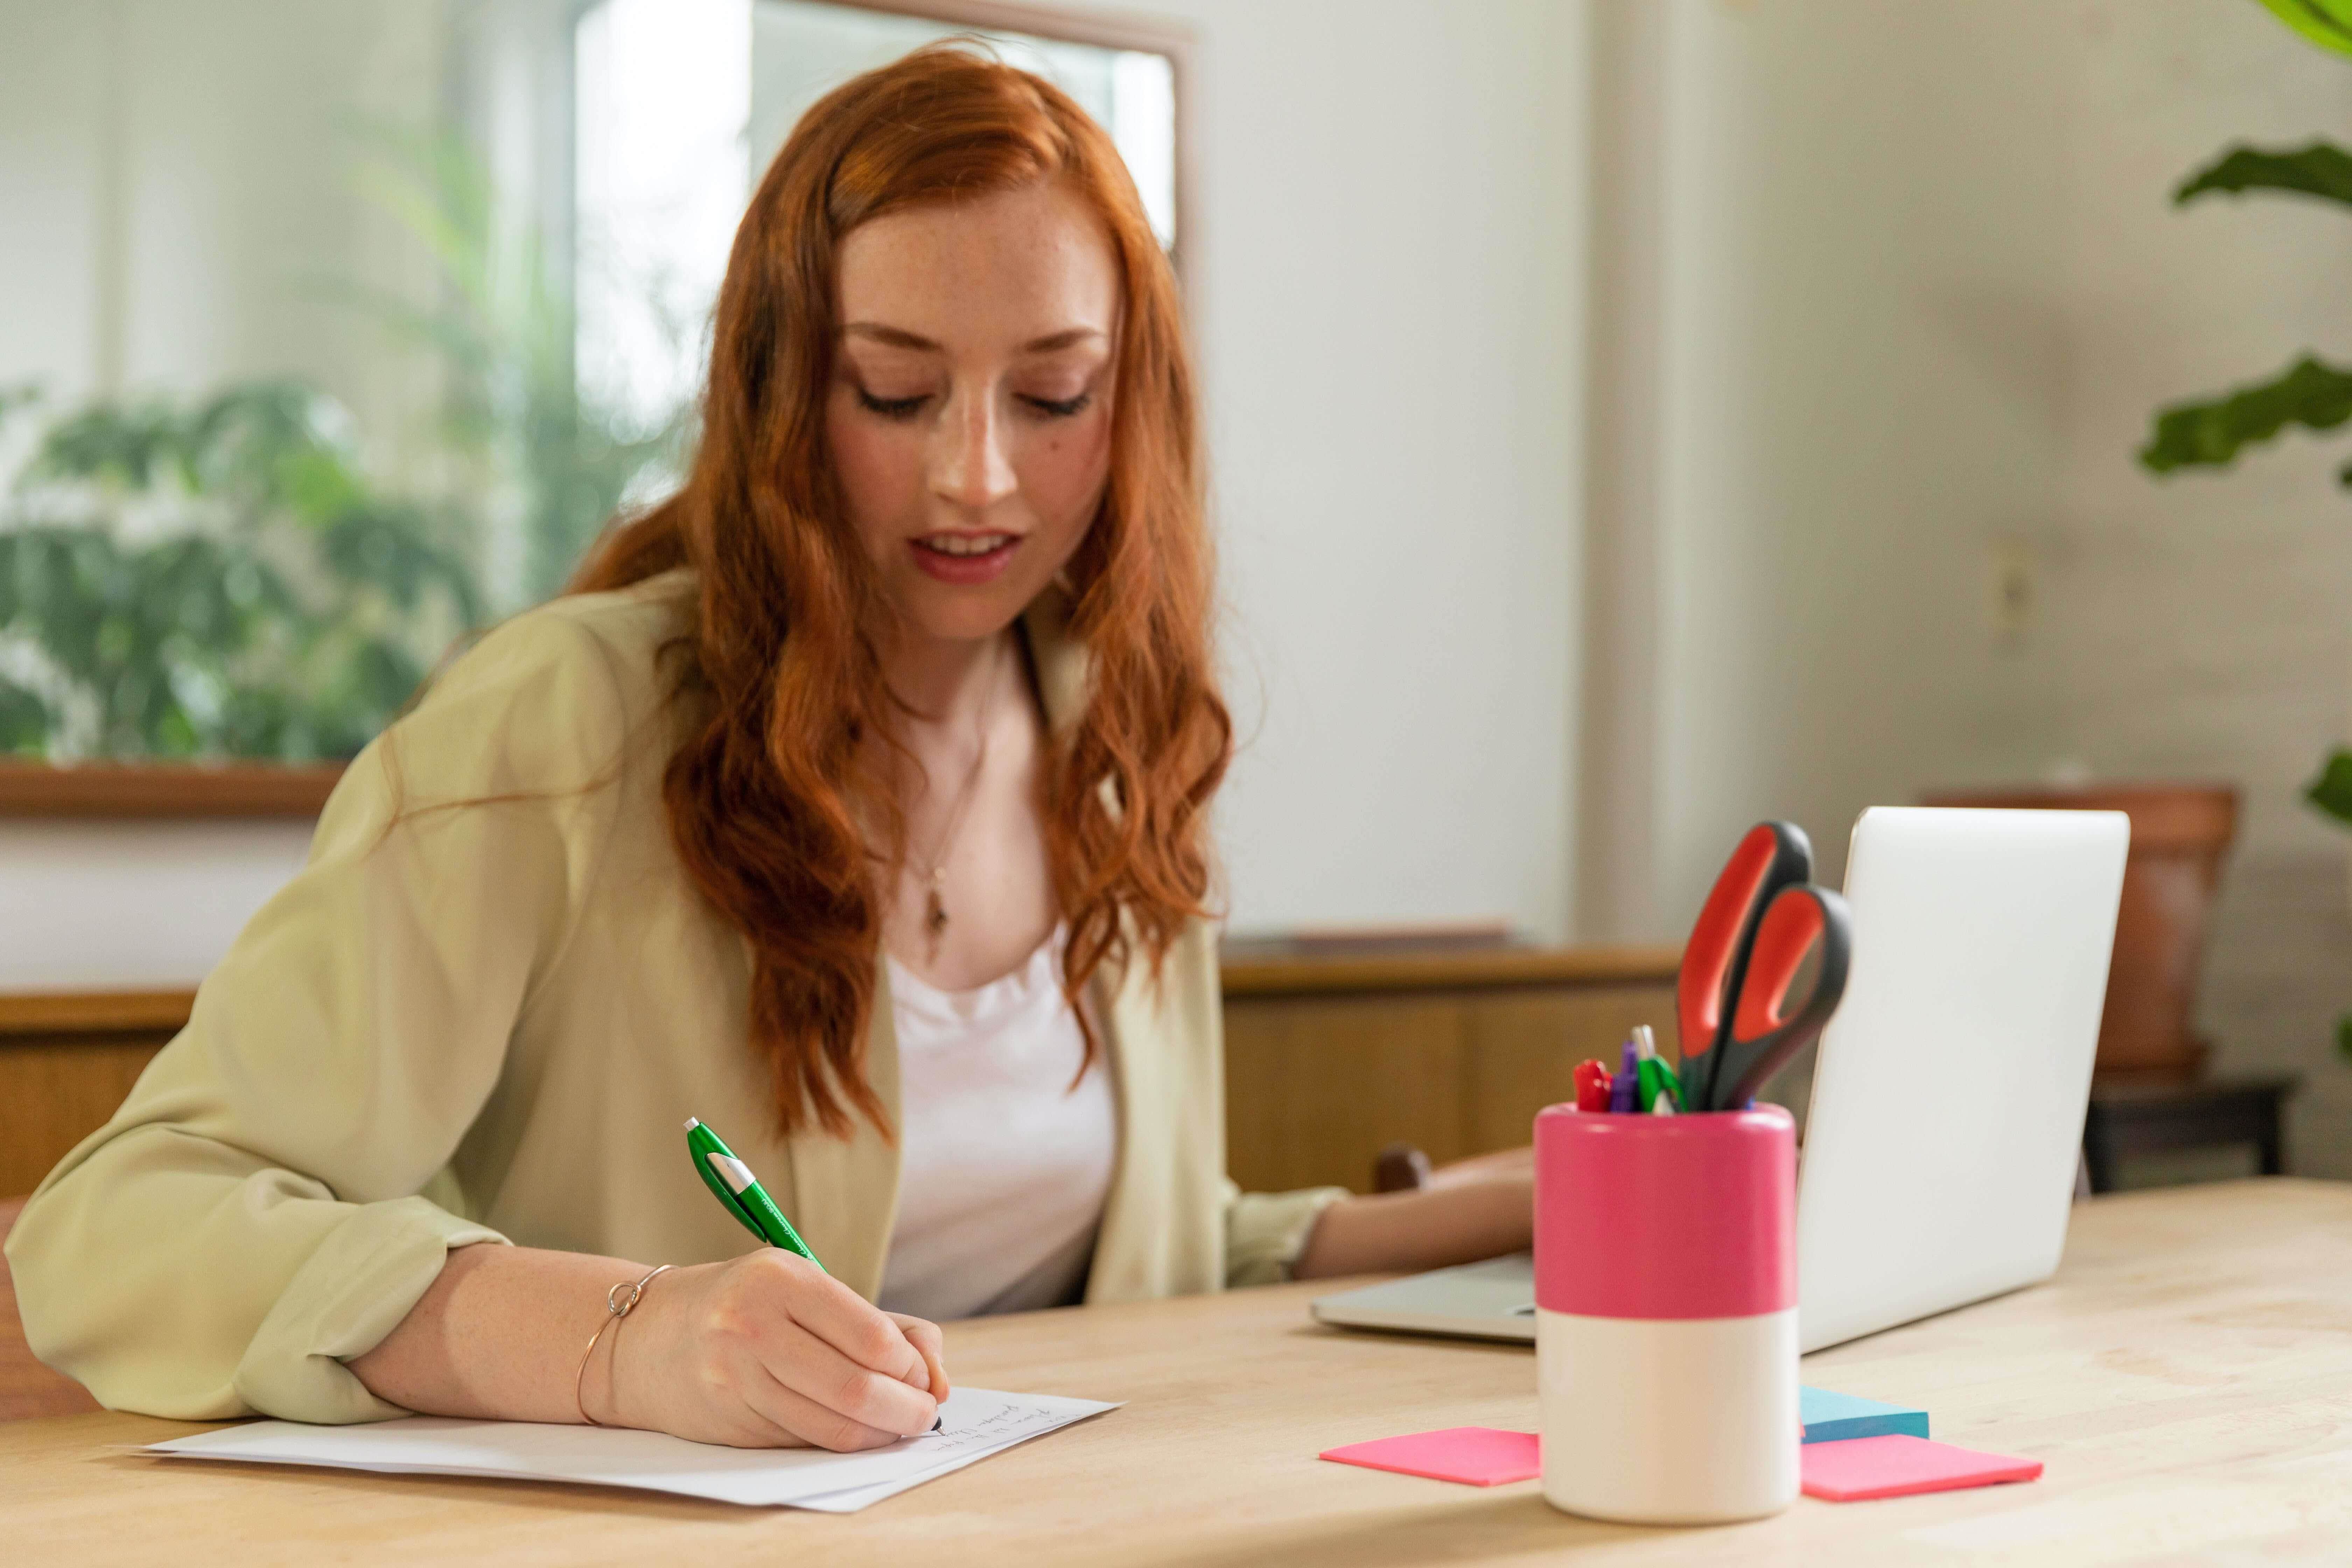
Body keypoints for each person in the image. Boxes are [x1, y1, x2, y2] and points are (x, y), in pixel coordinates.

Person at [6, 45, 1533, 1453]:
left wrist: (1528, 1205)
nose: (979, 473)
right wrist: (626, 1343)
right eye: (896, 390)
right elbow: (119, 1227)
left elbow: (1140, 1250)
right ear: (781, 387)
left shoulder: (1115, 744)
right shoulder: (561, 721)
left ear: (1134, 400)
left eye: (1055, 393)